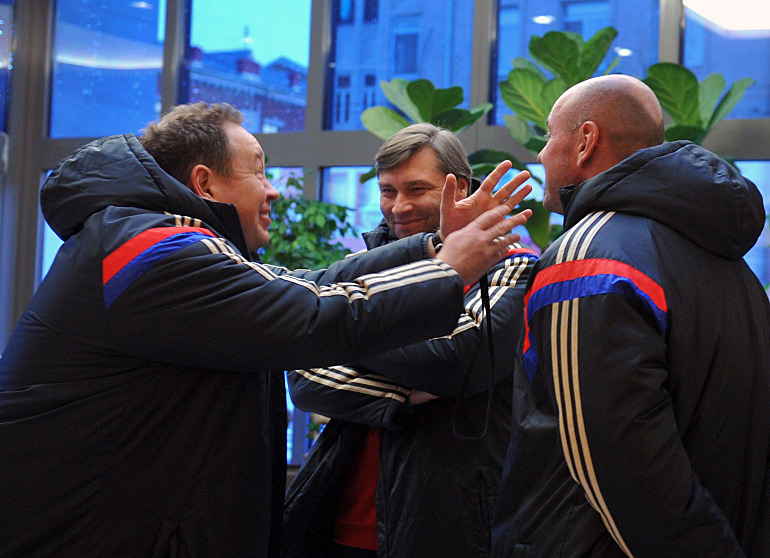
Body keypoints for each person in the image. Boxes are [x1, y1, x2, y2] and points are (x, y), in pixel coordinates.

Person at [0, 102, 533, 557]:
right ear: (205, 183)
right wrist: (448, 272)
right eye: (259, 172)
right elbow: (312, 324)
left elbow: (308, 290)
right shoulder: (152, 251)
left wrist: (433, 250)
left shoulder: (155, 238)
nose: (273, 191)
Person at [491, 75, 770, 557]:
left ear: (585, 141)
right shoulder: (728, 259)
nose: (540, 154)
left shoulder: (587, 258)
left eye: (549, 136)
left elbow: (616, 461)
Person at [284, 123, 538, 558]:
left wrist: (344, 330)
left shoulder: (510, 266)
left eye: (417, 189)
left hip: (447, 523)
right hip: (341, 516)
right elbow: (305, 378)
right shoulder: (364, 265)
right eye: (388, 190)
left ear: (460, 189)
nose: (399, 206)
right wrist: (404, 395)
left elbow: (456, 363)